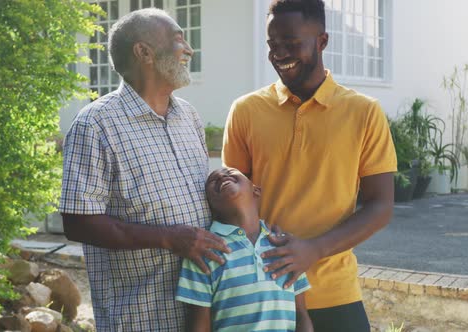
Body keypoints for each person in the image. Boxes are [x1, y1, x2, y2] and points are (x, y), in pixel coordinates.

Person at [222, 0, 397, 331]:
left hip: (335, 291)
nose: (279, 54)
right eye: (273, 44)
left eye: (291, 44)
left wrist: (313, 249)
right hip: (261, 294)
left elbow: (381, 205)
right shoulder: (246, 111)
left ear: (322, 41)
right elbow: (233, 205)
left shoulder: (364, 113)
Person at [59, 8, 230, 331]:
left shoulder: (189, 116)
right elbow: (78, 223)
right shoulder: (96, 124)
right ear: (144, 52)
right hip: (141, 318)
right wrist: (169, 238)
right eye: (179, 39)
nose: (189, 49)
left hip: (203, 317)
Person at [176, 167, 314, 332]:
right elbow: (199, 322)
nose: (221, 175)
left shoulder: (285, 246)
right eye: (213, 181)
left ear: (256, 190)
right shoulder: (204, 251)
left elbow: (301, 315)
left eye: (230, 172)